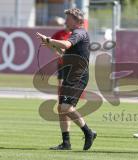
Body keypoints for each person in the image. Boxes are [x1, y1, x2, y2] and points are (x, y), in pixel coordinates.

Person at [36, 8, 96, 151]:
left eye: (68, 18)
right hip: (71, 75)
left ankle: (88, 132)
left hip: (78, 76)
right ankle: (66, 143)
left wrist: (50, 40)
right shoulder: (74, 33)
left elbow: (66, 45)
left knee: (66, 107)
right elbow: (62, 53)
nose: (66, 20)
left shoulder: (79, 32)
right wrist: (51, 45)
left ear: (78, 21)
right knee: (61, 108)